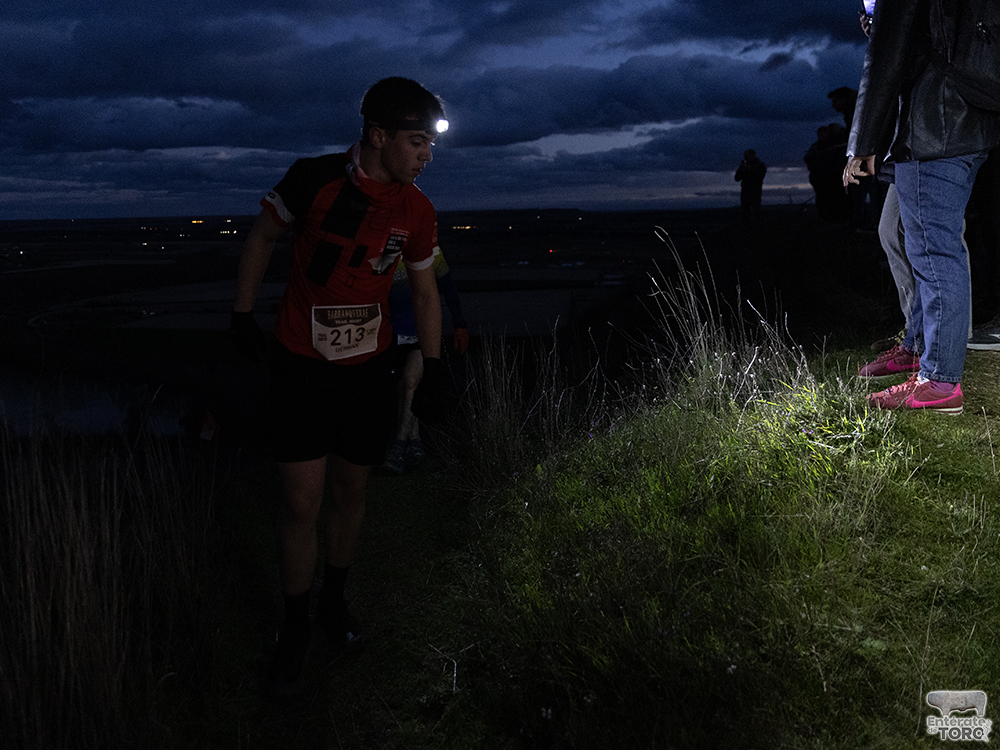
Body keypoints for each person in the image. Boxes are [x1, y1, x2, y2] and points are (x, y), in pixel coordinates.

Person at [229, 77, 450, 699]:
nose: (426, 156)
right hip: (301, 365)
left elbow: (425, 293)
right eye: (416, 142)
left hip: (367, 370)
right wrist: (241, 314)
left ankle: (335, 601)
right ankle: (295, 626)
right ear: (377, 135)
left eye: (430, 144)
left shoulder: (417, 209)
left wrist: (434, 368)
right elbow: (262, 236)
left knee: (351, 489)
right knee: (301, 501)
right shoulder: (314, 180)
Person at [845, 0, 1000, 415]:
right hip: (969, 117)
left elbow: (888, 53)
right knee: (922, 244)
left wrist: (862, 142)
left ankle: (940, 382)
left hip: (937, 120)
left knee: (935, 252)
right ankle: (918, 349)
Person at [383, 245, 469, 474]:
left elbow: (448, 286)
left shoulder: (431, 251)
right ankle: (415, 444)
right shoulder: (385, 250)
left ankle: (397, 449)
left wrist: (460, 324)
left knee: (411, 381)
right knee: (404, 388)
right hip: (391, 333)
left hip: (422, 332)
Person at [734, 149, 766, 225]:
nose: (746, 157)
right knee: (745, 213)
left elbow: (760, 176)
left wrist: (750, 169)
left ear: (752, 156)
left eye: (747, 156)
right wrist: (742, 168)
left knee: (756, 212)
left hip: (755, 192)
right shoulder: (743, 166)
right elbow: (737, 178)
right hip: (745, 192)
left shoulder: (760, 166)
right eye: (745, 156)